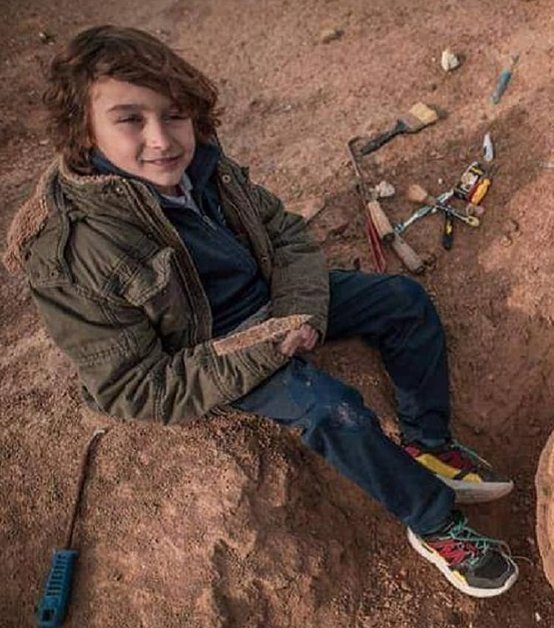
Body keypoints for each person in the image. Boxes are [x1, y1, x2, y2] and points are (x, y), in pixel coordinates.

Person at [4, 25, 517, 598]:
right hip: (212, 347)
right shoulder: (70, 250)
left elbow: (285, 234)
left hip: (271, 299)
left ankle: (428, 443)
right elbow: (132, 389)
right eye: (130, 120)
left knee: (404, 302)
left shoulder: (203, 161)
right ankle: (433, 520)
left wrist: (300, 310)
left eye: (174, 115)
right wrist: (266, 346)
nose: (162, 139)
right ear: (83, 131)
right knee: (333, 410)